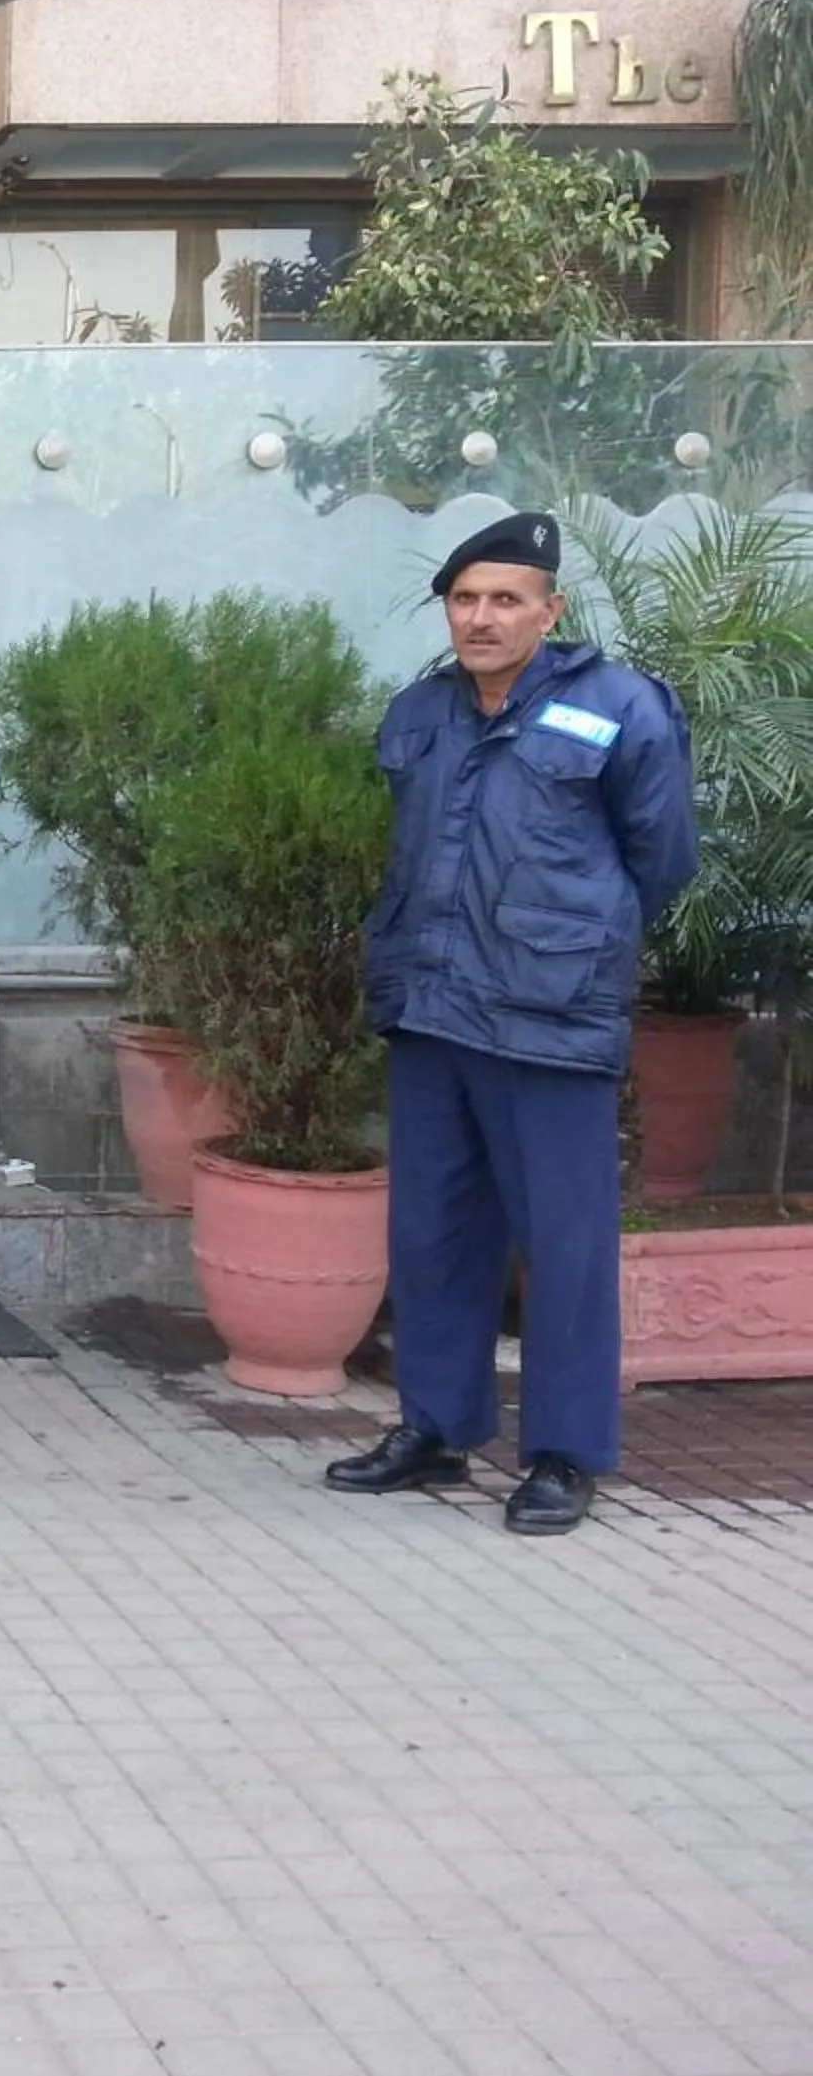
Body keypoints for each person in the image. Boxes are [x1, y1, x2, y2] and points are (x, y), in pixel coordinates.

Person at [326, 509, 698, 1536]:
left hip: (548, 1015)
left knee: (564, 1248)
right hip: (433, 1006)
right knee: (436, 1236)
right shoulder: (421, 711)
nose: (480, 619)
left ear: (550, 610)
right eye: (463, 600)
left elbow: (659, 858)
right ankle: (437, 1430)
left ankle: (565, 1455)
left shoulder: (620, 706)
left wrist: (571, 945)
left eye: (504, 600)